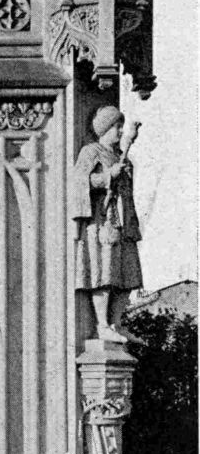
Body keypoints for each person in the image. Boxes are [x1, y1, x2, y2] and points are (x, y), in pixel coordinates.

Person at [73, 106, 142, 343]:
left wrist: (124, 173)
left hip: (123, 221)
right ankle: (102, 324)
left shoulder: (123, 156)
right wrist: (108, 176)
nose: (121, 131)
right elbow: (79, 181)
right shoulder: (91, 151)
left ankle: (116, 323)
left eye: (122, 127)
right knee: (105, 274)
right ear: (104, 128)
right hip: (102, 221)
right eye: (117, 127)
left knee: (128, 275)